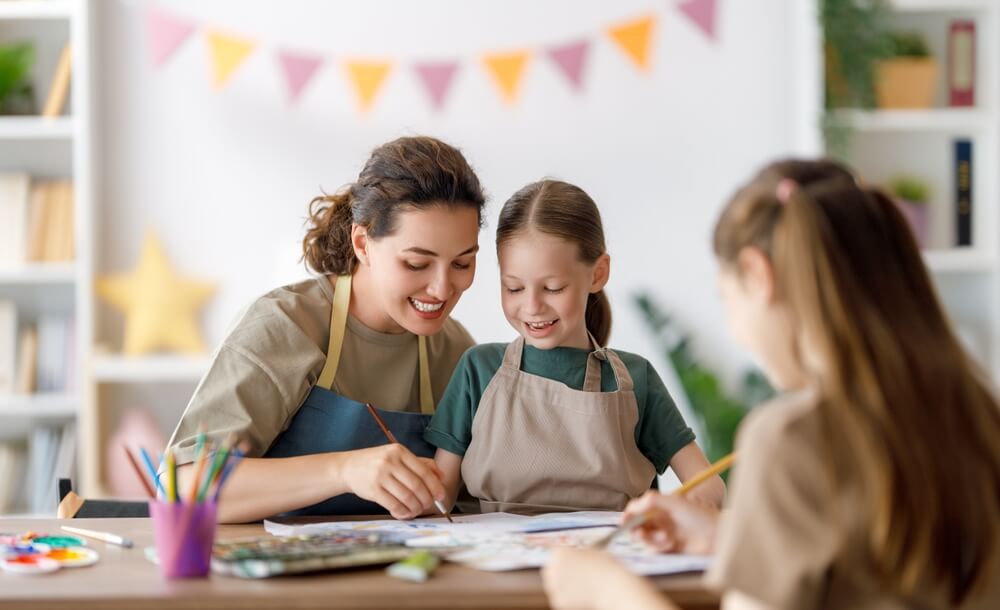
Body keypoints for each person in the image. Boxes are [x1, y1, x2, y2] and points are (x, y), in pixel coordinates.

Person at [542, 159, 1000, 609]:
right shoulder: (978, 414)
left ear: (759, 275)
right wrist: (730, 539)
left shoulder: (792, 439)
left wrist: (606, 592)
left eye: (728, 298)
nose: (737, 330)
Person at [165, 136, 488, 523]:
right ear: (362, 243)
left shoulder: (455, 352)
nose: (441, 289)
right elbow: (184, 488)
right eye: (418, 264)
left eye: (462, 264)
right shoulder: (284, 327)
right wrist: (345, 471)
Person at [424, 179, 724, 514]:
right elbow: (439, 501)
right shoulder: (477, 371)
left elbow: (708, 486)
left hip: (607, 558)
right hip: (494, 563)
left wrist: (679, 513)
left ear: (597, 274)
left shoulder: (635, 379)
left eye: (552, 288)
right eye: (514, 288)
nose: (532, 306)